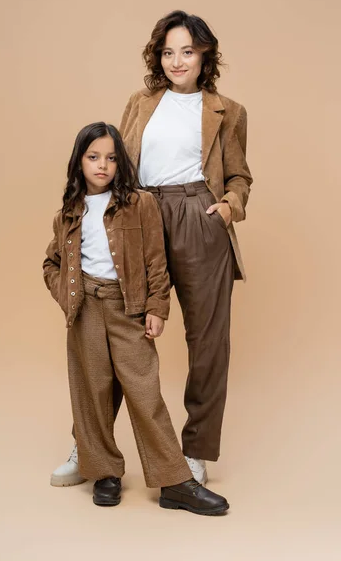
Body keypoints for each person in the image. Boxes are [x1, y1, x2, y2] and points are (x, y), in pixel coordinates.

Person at [51, 10, 252, 491]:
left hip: (197, 217)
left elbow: (240, 176)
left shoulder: (228, 110)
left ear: (205, 55)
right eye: (167, 51)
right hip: (140, 215)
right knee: (117, 336)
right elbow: (118, 164)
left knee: (207, 344)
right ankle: (91, 447)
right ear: (157, 57)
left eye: (187, 51)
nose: (176, 60)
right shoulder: (140, 103)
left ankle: (195, 452)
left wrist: (227, 207)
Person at [43, 121, 229, 514]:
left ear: (121, 163)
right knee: (91, 393)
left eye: (111, 158)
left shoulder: (139, 204)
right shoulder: (68, 212)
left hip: (126, 308)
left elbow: (156, 263)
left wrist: (156, 308)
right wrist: (67, 296)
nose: (102, 165)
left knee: (145, 393)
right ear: (79, 162)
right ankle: (105, 471)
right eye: (93, 157)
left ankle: (175, 481)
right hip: (85, 310)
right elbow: (52, 262)